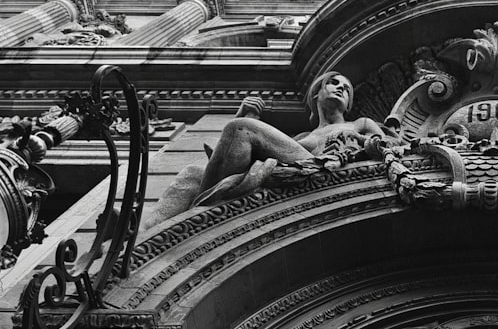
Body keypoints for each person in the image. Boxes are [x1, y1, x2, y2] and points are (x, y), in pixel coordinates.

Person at [141, 71, 389, 230]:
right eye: (333, 83)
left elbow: (384, 146)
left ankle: (200, 213)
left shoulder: (360, 123)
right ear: (317, 93)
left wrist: (355, 139)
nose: (341, 88)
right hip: (298, 168)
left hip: (324, 170)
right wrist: (245, 114)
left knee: (241, 129)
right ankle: (146, 231)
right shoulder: (302, 137)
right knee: (193, 172)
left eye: (346, 88)